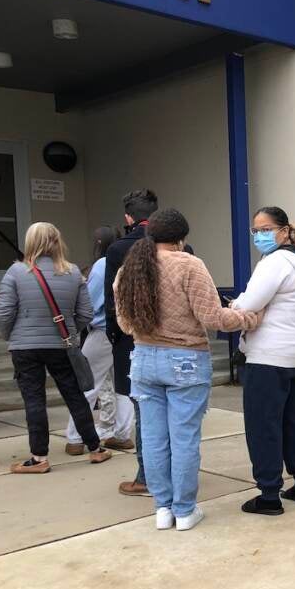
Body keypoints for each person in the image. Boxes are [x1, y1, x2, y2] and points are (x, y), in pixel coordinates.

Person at [115, 208, 259, 531]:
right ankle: (184, 510)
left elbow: (124, 324)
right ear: (181, 238)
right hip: (185, 360)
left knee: (152, 438)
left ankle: (162, 510)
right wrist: (247, 317)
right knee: (184, 439)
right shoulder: (190, 265)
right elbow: (213, 318)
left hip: (143, 360)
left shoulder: (130, 269)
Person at [0, 222, 113, 473]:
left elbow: (3, 313)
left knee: (34, 399)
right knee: (74, 395)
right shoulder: (72, 273)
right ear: (58, 242)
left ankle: (39, 458)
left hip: (25, 346)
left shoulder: (16, 272)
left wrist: (11, 336)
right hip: (62, 344)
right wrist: (69, 331)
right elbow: (86, 313)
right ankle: (95, 448)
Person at [231, 207, 295, 516]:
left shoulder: (275, 262)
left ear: (283, 230)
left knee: (263, 423)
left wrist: (236, 303)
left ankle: (269, 494)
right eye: (255, 231)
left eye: (265, 229)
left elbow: (249, 303)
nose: (259, 236)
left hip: (269, 355)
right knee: (294, 419)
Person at [64, 225, 135, 456]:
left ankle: (76, 438)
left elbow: (91, 304)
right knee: (125, 386)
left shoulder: (102, 264)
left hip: (102, 331)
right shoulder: (131, 259)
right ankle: (121, 434)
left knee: (86, 384)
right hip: (128, 333)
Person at [106, 189, 157, 497]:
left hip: (132, 340)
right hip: (171, 341)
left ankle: (146, 476)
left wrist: (116, 337)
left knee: (144, 412)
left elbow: (113, 303)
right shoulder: (182, 247)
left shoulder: (117, 250)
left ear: (128, 217)